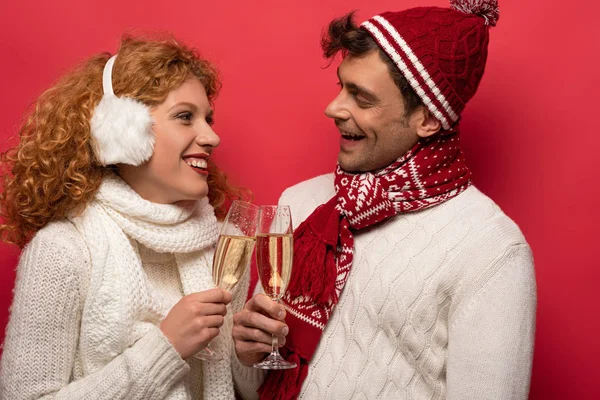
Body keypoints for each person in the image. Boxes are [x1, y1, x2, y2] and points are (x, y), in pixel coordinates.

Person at [232, 1, 537, 399]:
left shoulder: (491, 250)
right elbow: (252, 388)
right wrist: (249, 356)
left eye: (362, 97)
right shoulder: (301, 203)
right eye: (341, 86)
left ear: (427, 119)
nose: (333, 108)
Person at [0, 35, 261, 399]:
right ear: (121, 131)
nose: (212, 136)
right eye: (185, 116)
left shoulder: (225, 244)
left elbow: (240, 389)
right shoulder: (63, 251)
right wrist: (165, 348)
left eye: (208, 118)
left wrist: (250, 358)